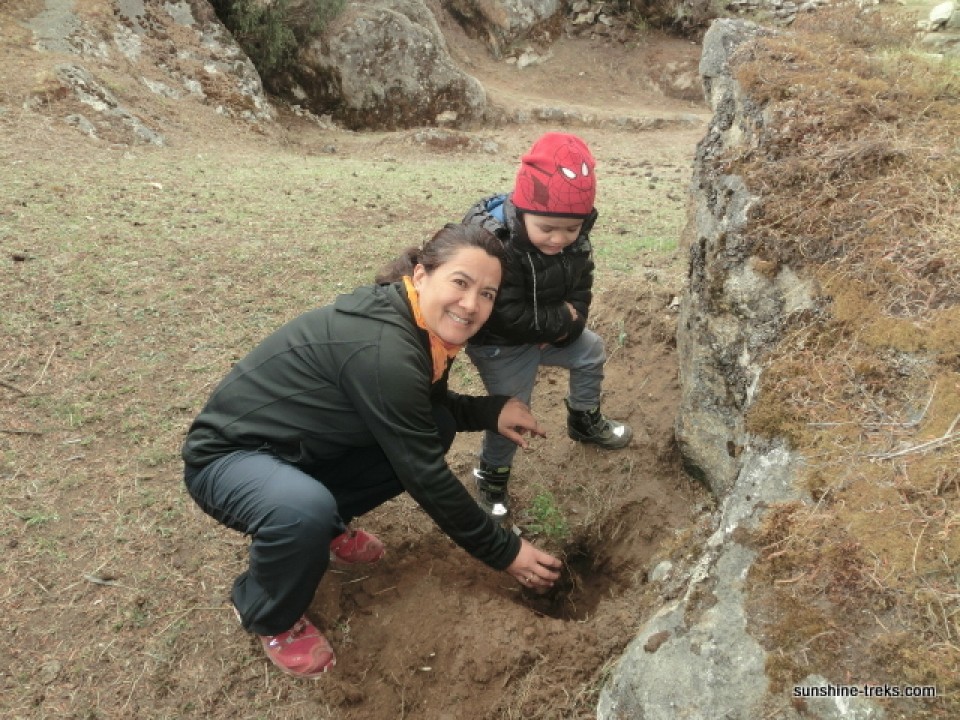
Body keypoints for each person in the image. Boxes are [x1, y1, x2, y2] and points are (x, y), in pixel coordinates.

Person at [181, 224, 562, 679]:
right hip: (227, 460)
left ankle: (321, 524)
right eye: (460, 283)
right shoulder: (388, 347)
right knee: (302, 511)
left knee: (434, 428)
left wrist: (490, 411)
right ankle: (268, 613)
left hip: (294, 449)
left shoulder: (417, 323)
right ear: (421, 275)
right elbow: (426, 476)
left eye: (487, 294)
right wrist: (506, 552)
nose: (471, 304)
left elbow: (425, 409)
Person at [462, 132, 633, 519]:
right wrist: (555, 325)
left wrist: (567, 327)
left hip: (549, 332)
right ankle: (492, 473)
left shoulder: (576, 241)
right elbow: (505, 313)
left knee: (590, 350)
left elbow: (581, 292)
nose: (559, 239)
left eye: (571, 229)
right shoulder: (497, 246)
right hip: (500, 344)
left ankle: (583, 420)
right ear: (521, 212)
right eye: (548, 228)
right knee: (513, 410)